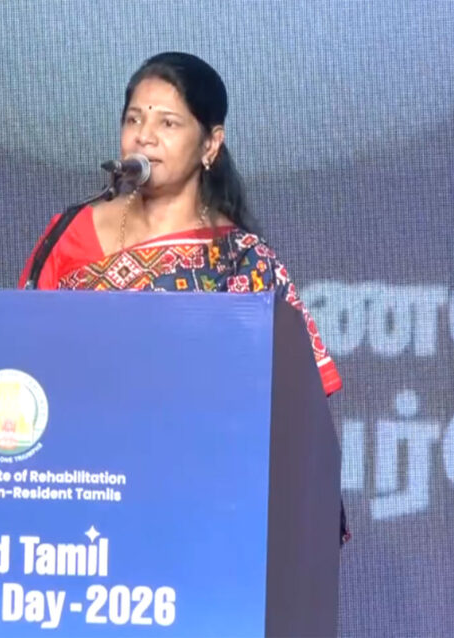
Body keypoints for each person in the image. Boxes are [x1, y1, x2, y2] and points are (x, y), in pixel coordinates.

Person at [20, 51, 350, 545]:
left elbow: (293, 407)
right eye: (134, 119)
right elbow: (23, 356)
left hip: (190, 515)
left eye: (167, 123)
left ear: (210, 144)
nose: (144, 136)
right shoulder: (69, 230)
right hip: (75, 498)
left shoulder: (239, 261)